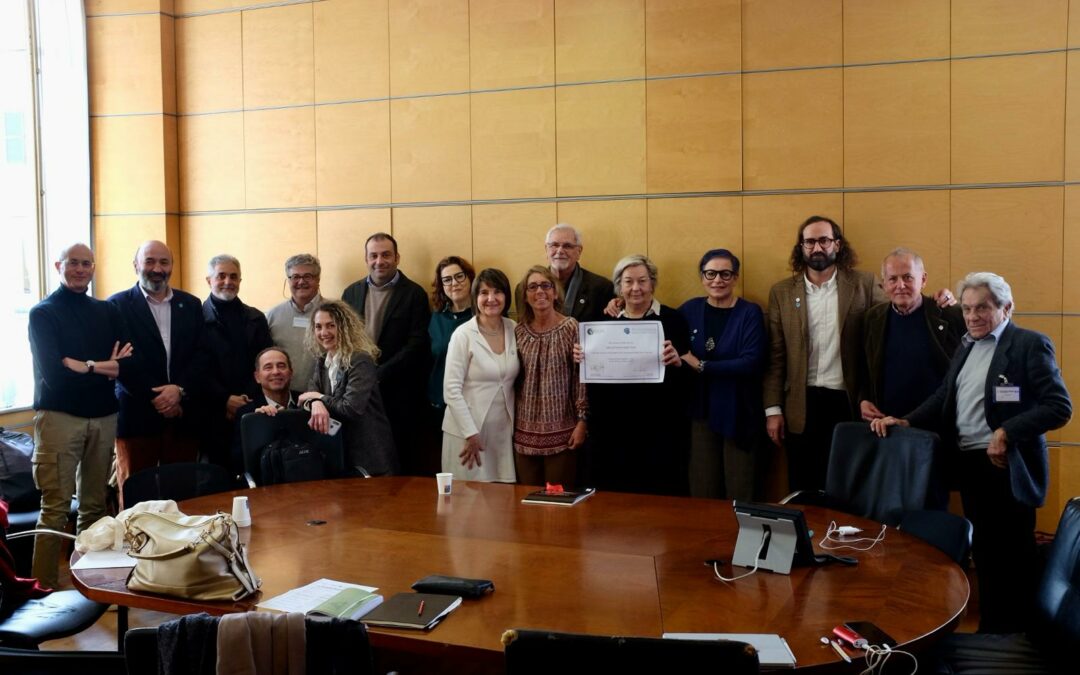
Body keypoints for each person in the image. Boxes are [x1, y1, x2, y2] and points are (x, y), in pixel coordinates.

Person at [871, 272, 1071, 634]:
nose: (973, 316)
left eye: (982, 308)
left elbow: (1059, 407)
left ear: (1006, 307)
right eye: (966, 309)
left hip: (1006, 466)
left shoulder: (1028, 345)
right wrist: (906, 420)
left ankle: (1021, 639)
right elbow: (943, 397)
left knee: (1013, 557)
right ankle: (993, 629)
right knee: (987, 555)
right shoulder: (966, 346)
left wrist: (1007, 432)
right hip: (970, 465)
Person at [27, 243, 132, 589]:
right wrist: (103, 367)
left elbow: (126, 366)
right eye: (73, 263)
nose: (80, 269)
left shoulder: (106, 311)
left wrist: (83, 364)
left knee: (94, 507)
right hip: (59, 418)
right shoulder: (43, 314)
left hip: (103, 418)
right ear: (58, 265)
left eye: (86, 263)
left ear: (93, 268)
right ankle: (41, 590)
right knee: (54, 508)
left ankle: (92, 584)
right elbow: (54, 377)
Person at [581, 255, 691, 496]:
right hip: (612, 429)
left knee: (656, 501)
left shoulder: (673, 320)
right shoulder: (601, 322)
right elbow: (593, 382)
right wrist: (584, 357)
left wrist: (678, 362)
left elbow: (687, 376)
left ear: (652, 283)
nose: (636, 288)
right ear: (619, 286)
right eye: (628, 282)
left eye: (642, 281)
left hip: (659, 429)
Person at [109, 240, 206, 501]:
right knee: (136, 497)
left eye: (164, 262)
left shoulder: (191, 304)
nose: (157, 268)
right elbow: (124, 361)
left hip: (183, 415)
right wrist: (159, 397)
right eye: (149, 261)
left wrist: (178, 390)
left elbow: (201, 354)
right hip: (137, 416)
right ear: (136, 265)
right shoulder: (116, 305)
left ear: (172, 265)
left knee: (184, 495)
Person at [677, 249, 766, 501]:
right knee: (702, 488)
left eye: (725, 274)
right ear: (702, 277)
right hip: (700, 412)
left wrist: (702, 366)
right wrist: (618, 303)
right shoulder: (690, 310)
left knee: (741, 488)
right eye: (711, 273)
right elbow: (658, 321)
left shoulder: (750, 312)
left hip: (738, 412)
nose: (718, 280)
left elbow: (750, 363)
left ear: (735, 277)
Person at [342, 233, 431, 475]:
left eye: (386, 255)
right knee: (367, 460)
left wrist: (381, 373)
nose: (379, 261)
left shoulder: (415, 294)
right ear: (366, 259)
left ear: (397, 258)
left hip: (399, 393)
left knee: (400, 460)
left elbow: (417, 344)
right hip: (360, 394)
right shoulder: (350, 293)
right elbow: (344, 341)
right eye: (373, 255)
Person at [859, 248, 965, 420]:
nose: (900, 285)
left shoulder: (949, 315)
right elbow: (865, 367)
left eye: (908, 277)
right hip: (888, 423)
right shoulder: (872, 319)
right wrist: (863, 399)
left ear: (923, 279)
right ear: (884, 285)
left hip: (939, 423)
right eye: (892, 279)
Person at [298, 300, 397, 477]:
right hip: (340, 452)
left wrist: (319, 398)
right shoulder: (322, 361)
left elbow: (351, 408)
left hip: (370, 455)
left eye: (331, 326)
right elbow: (307, 397)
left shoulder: (360, 360)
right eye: (318, 327)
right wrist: (316, 402)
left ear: (344, 327)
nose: (324, 332)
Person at [442, 268, 518, 483]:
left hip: (503, 433)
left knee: (502, 505)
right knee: (467, 506)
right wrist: (470, 434)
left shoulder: (514, 329)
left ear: (506, 296)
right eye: (484, 293)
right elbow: (451, 390)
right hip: (466, 435)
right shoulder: (463, 335)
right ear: (476, 298)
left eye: (497, 292)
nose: (491, 299)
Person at [514, 265, 587, 487]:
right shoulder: (517, 332)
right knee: (527, 503)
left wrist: (583, 421)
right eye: (533, 287)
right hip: (523, 436)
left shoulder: (571, 327)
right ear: (525, 296)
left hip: (563, 434)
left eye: (546, 285)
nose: (540, 291)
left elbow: (581, 378)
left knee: (558, 505)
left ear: (555, 292)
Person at [199, 254, 272, 470]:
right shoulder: (195, 319)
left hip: (252, 408)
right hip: (211, 411)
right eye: (221, 276)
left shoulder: (256, 318)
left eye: (233, 277)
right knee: (216, 474)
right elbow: (195, 367)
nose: (228, 282)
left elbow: (263, 362)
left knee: (252, 469)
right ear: (209, 280)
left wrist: (244, 400)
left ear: (240, 281)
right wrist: (224, 399)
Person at [425, 256, 475, 474]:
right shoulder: (435, 319)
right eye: (446, 280)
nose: (454, 283)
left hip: (475, 406)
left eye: (459, 276)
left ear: (471, 278)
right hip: (439, 407)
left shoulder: (484, 317)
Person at [514, 223, 614, 322]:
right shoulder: (524, 289)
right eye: (554, 245)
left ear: (579, 251)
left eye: (567, 246)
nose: (560, 251)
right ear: (546, 250)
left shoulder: (601, 288)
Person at [231, 347, 302, 471]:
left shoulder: (306, 402)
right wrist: (260, 425)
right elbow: (239, 462)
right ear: (257, 377)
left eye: (281, 366)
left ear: (290, 373)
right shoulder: (248, 413)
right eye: (268, 367)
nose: (276, 372)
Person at [266, 253, 323, 390]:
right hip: (283, 396)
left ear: (318, 279)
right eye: (295, 277)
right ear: (288, 280)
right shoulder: (273, 315)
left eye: (307, 276)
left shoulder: (334, 312)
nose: (301, 282)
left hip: (324, 396)